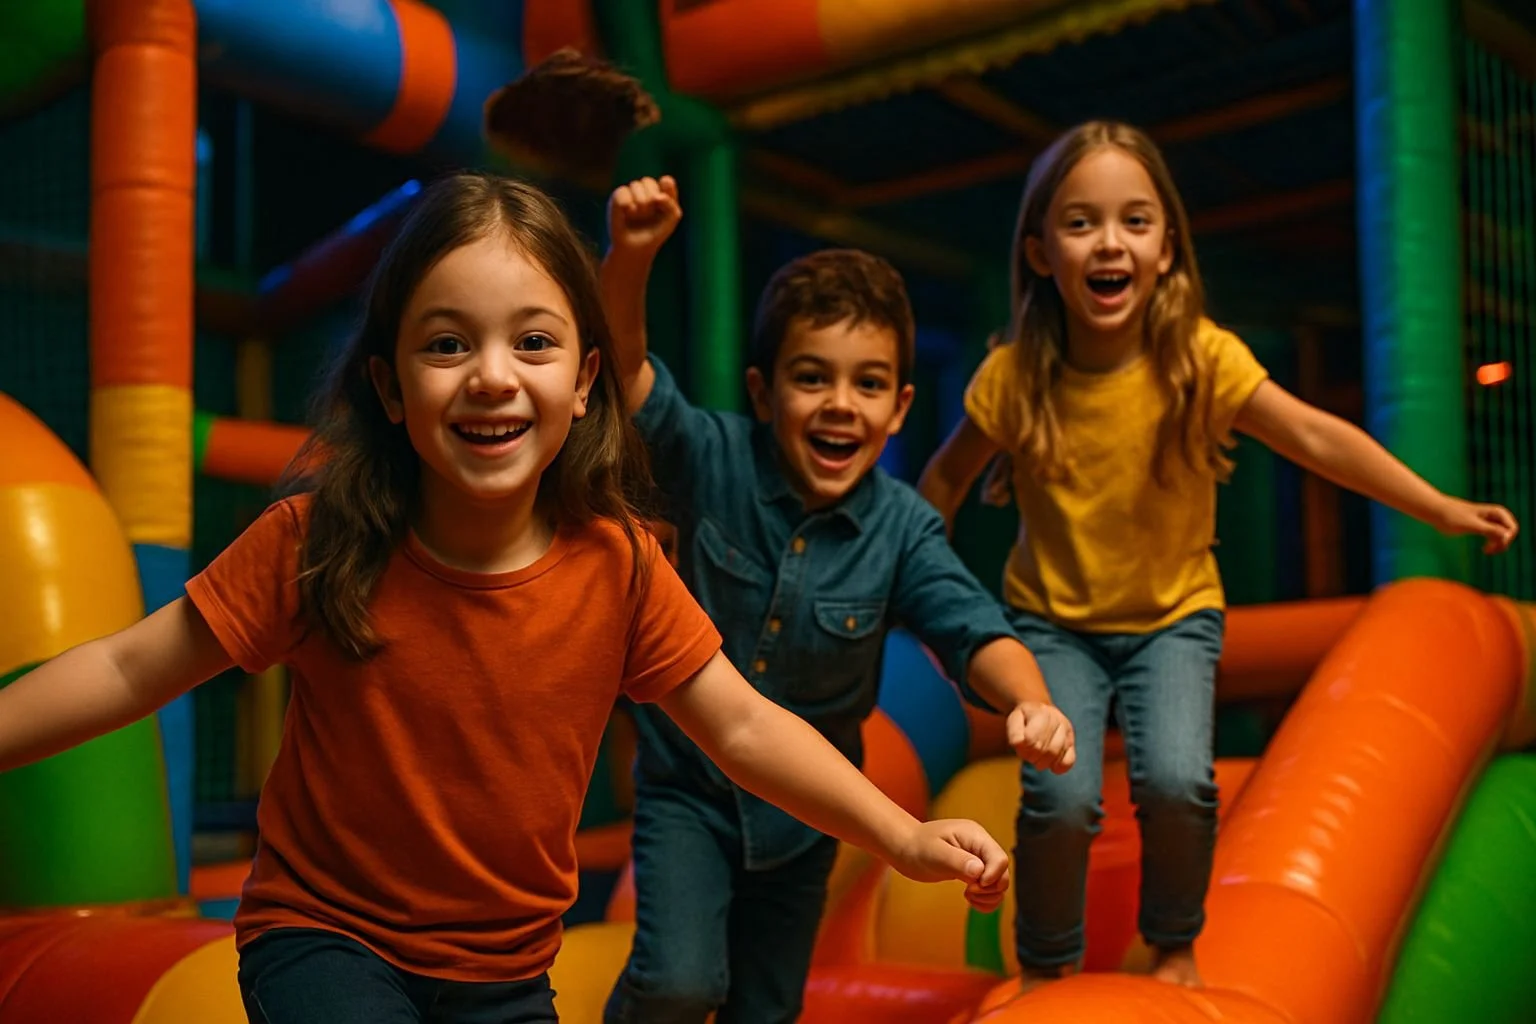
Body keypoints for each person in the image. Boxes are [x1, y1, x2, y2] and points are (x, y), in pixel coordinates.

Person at [0, 171, 1015, 1024]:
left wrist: (902, 834)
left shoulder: (616, 565)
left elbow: (743, 726)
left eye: (533, 342)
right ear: (392, 387)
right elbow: (133, 663)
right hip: (326, 936)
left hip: (503, 970)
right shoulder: (321, 543)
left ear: (585, 381)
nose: (492, 375)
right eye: (447, 345)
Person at [916, 119, 1520, 992]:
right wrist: (903, 584)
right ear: (1042, 252)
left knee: (1174, 786)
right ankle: (1046, 967)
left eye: (1135, 219)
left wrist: (1437, 505)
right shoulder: (1016, 378)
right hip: (1052, 624)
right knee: (1061, 798)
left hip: (1173, 617)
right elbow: (940, 482)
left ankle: (1172, 944)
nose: (1110, 241)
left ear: (1167, 248)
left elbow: (1316, 436)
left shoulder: (1199, 359)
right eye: (1080, 222)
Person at [597, 175, 1076, 1024]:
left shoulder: (901, 529)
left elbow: (972, 628)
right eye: (811, 378)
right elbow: (625, 378)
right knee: (678, 984)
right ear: (762, 392)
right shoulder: (715, 458)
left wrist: (1031, 701)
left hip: (806, 819)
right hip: (690, 795)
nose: (838, 406)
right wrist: (631, 257)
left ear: (898, 409)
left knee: (767, 1007)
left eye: (866, 386)